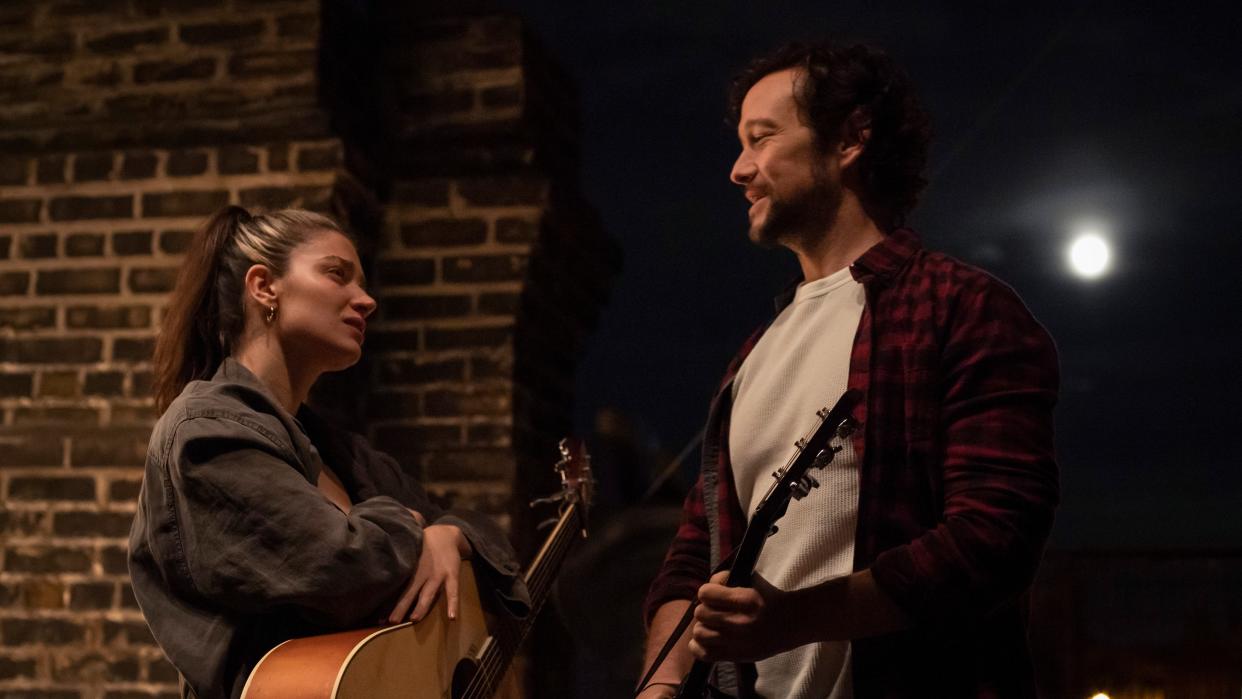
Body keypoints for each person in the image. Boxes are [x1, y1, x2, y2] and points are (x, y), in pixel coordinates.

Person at [639, 41, 1059, 698]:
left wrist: (789, 620)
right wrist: (660, 687)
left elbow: (993, 537)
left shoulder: (964, 308)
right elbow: (696, 551)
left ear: (851, 139)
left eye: (762, 138)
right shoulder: (752, 357)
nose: (738, 170)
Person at [128, 206, 529, 699]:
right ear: (263, 287)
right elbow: (343, 569)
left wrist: (450, 534)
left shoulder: (343, 453)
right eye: (337, 274)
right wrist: (409, 524)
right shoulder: (206, 433)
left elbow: (488, 542)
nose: (366, 300)